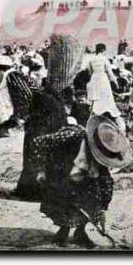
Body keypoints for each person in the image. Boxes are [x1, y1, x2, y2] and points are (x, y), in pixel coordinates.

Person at [34, 114, 128, 248]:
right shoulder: (72, 136)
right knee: (62, 199)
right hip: (61, 169)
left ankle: (80, 233)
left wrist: (99, 209)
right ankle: (63, 231)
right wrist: (41, 169)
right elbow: (39, 142)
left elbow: (103, 180)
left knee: (98, 195)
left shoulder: (104, 151)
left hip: (85, 174)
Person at [14, 34, 84, 201]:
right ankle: (35, 189)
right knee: (42, 159)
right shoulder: (48, 95)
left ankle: (36, 188)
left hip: (44, 126)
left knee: (44, 158)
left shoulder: (50, 94)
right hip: (43, 127)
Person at [85, 43, 121, 118]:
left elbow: (89, 71)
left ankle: (95, 114)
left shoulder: (91, 59)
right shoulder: (104, 59)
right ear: (103, 50)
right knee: (105, 97)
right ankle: (106, 113)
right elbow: (110, 72)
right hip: (102, 78)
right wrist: (116, 83)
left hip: (94, 78)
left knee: (96, 97)